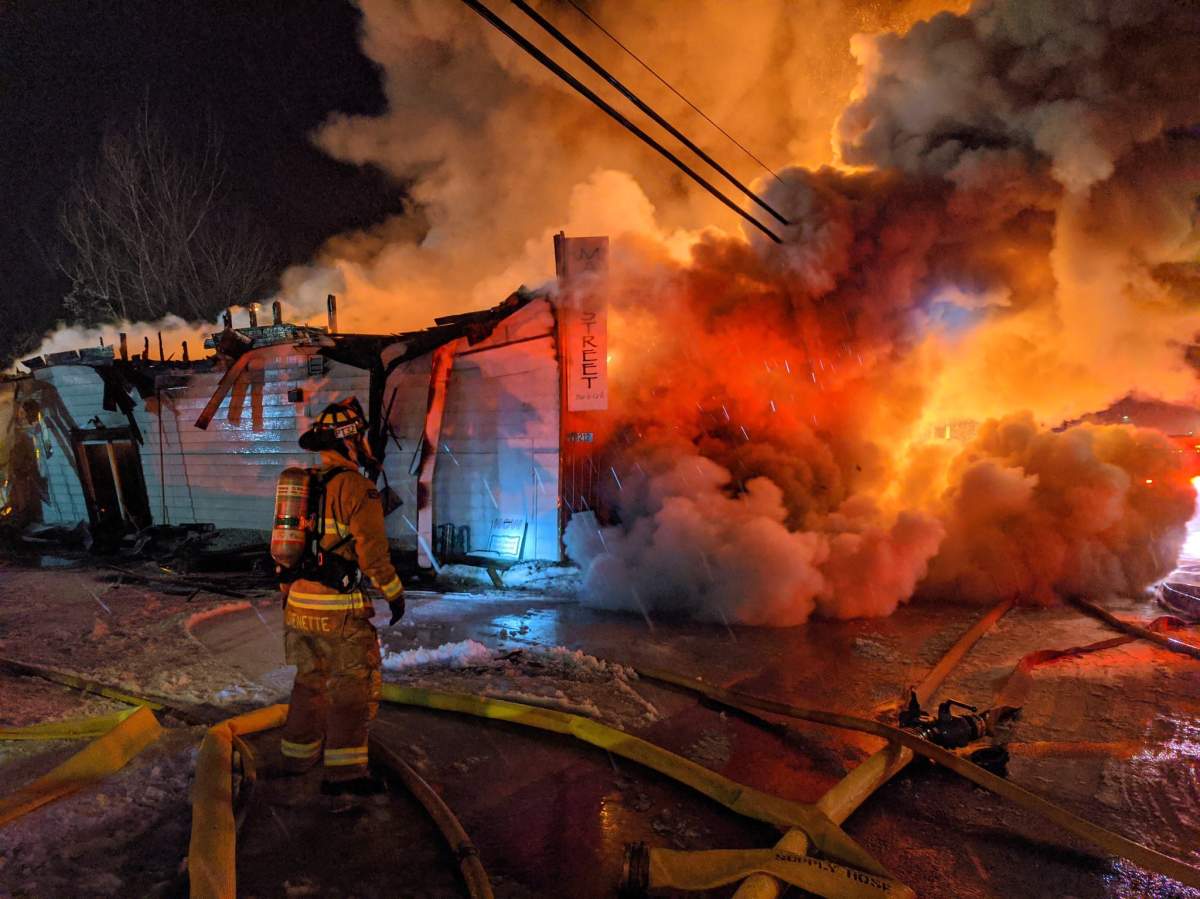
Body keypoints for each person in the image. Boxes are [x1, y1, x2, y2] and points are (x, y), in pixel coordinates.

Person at [278, 397, 405, 796]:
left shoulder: (304, 485)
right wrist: (394, 594)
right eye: (362, 436)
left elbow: (287, 553)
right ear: (350, 441)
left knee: (309, 681)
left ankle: (298, 757)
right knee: (352, 687)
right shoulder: (358, 488)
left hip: (299, 606)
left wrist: (289, 597)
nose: (366, 443)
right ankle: (346, 775)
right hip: (338, 610)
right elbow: (371, 552)